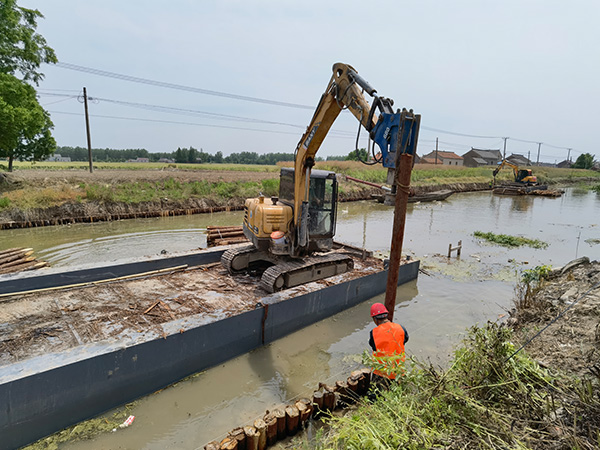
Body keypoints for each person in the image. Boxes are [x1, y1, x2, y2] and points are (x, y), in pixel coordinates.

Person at [368, 302, 409, 385]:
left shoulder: (374, 333)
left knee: (375, 395)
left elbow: (373, 346)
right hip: (398, 370)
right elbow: (405, 339)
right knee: (396, 393)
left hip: (381, 372)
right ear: (386, 315)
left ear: (375, 319)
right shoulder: (400, 328)